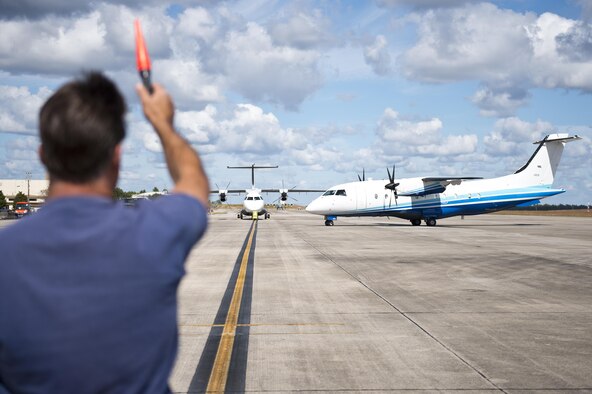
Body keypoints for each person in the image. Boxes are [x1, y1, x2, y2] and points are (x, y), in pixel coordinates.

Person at [0, 72, 209, 393]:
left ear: (43, 154)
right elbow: (193, 184)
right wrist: (163, 123)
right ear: (117, 156)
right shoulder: (154, 231)